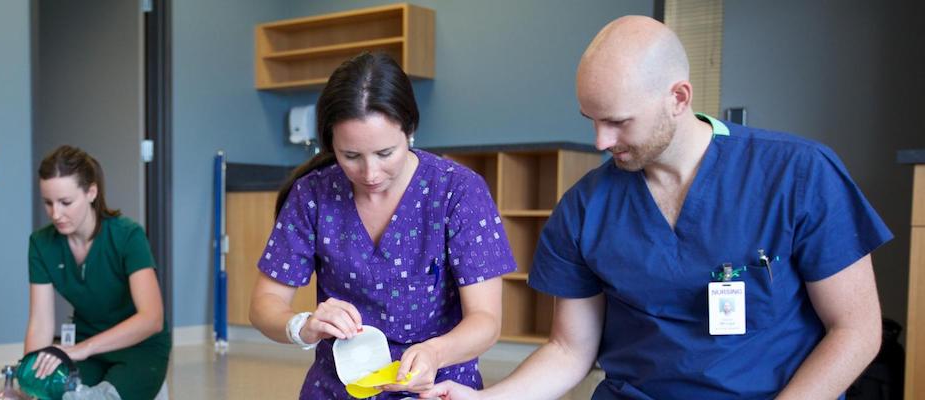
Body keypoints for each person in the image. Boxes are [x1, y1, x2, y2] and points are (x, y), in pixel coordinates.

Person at [423, 15, 889, 399]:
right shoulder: (585, 208)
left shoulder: (798, 174)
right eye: (591, 120)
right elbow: (569, 350)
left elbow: (855, 330)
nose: (600, 141)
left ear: (678, 98)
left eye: (618, 122)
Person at [250, 52, 515, 399]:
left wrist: (435, 353)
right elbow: (265, 302)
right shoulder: (312, 195)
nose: (370, 174)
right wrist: (302, 325)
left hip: (438, 387)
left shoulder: (458, 191)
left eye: (385, 153)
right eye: (351, 156)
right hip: (337, 388)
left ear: (410, 130)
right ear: (331, 143)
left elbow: (486, 320)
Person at [23, 145, 170, 400]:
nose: (56, 214)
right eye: (48, 203)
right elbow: (40, 323)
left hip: (140, 347)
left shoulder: (127, 235)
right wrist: (29, 383)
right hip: (87, 346)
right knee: (55, 394)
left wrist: (83, 348)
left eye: (65, 202)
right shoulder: (41, 243)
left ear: (91, 192)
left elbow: (152, 318)